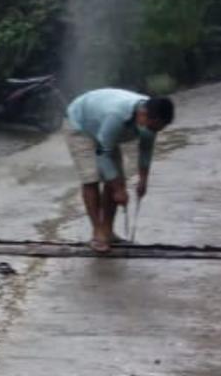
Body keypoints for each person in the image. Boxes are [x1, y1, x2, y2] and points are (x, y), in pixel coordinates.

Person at [63, 88, 175, 253]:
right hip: (80, 125)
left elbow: (145, 151)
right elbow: (103, 153)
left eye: (157, 130)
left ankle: (108, 231)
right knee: (91, 178)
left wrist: (143, 181)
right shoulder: (117, 115)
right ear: (143, 115)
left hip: (104, 131)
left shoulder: (151, 122)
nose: (153, 132)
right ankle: (98, 232)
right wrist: (119, 189)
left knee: (115, 178)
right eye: (152, 127)